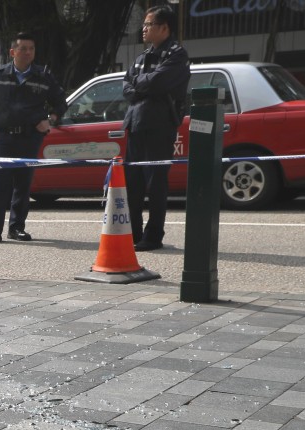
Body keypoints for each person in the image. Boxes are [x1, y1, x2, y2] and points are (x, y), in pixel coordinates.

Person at [0, 33, 66, 245]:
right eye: (23, 48)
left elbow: (61, 102)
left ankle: (16, 228)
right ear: (13, 52)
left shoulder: (43, 76)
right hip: (4, 138)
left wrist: (50, 119)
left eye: (31, 48)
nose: (28, 52)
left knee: (23, 185)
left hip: (30, 138)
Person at [122, 4, 190, 251]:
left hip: (159, 125)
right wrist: (144, 86)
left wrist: (141, 85)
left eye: (148, 24)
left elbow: (160, 82)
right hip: (136, 124)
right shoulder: (142, 57)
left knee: (156, 183)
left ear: (164, 28)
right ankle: (134, 233)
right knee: (133, 183)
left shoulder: (176, 55)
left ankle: (153, 236)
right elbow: (126, 86)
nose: (144, 28)